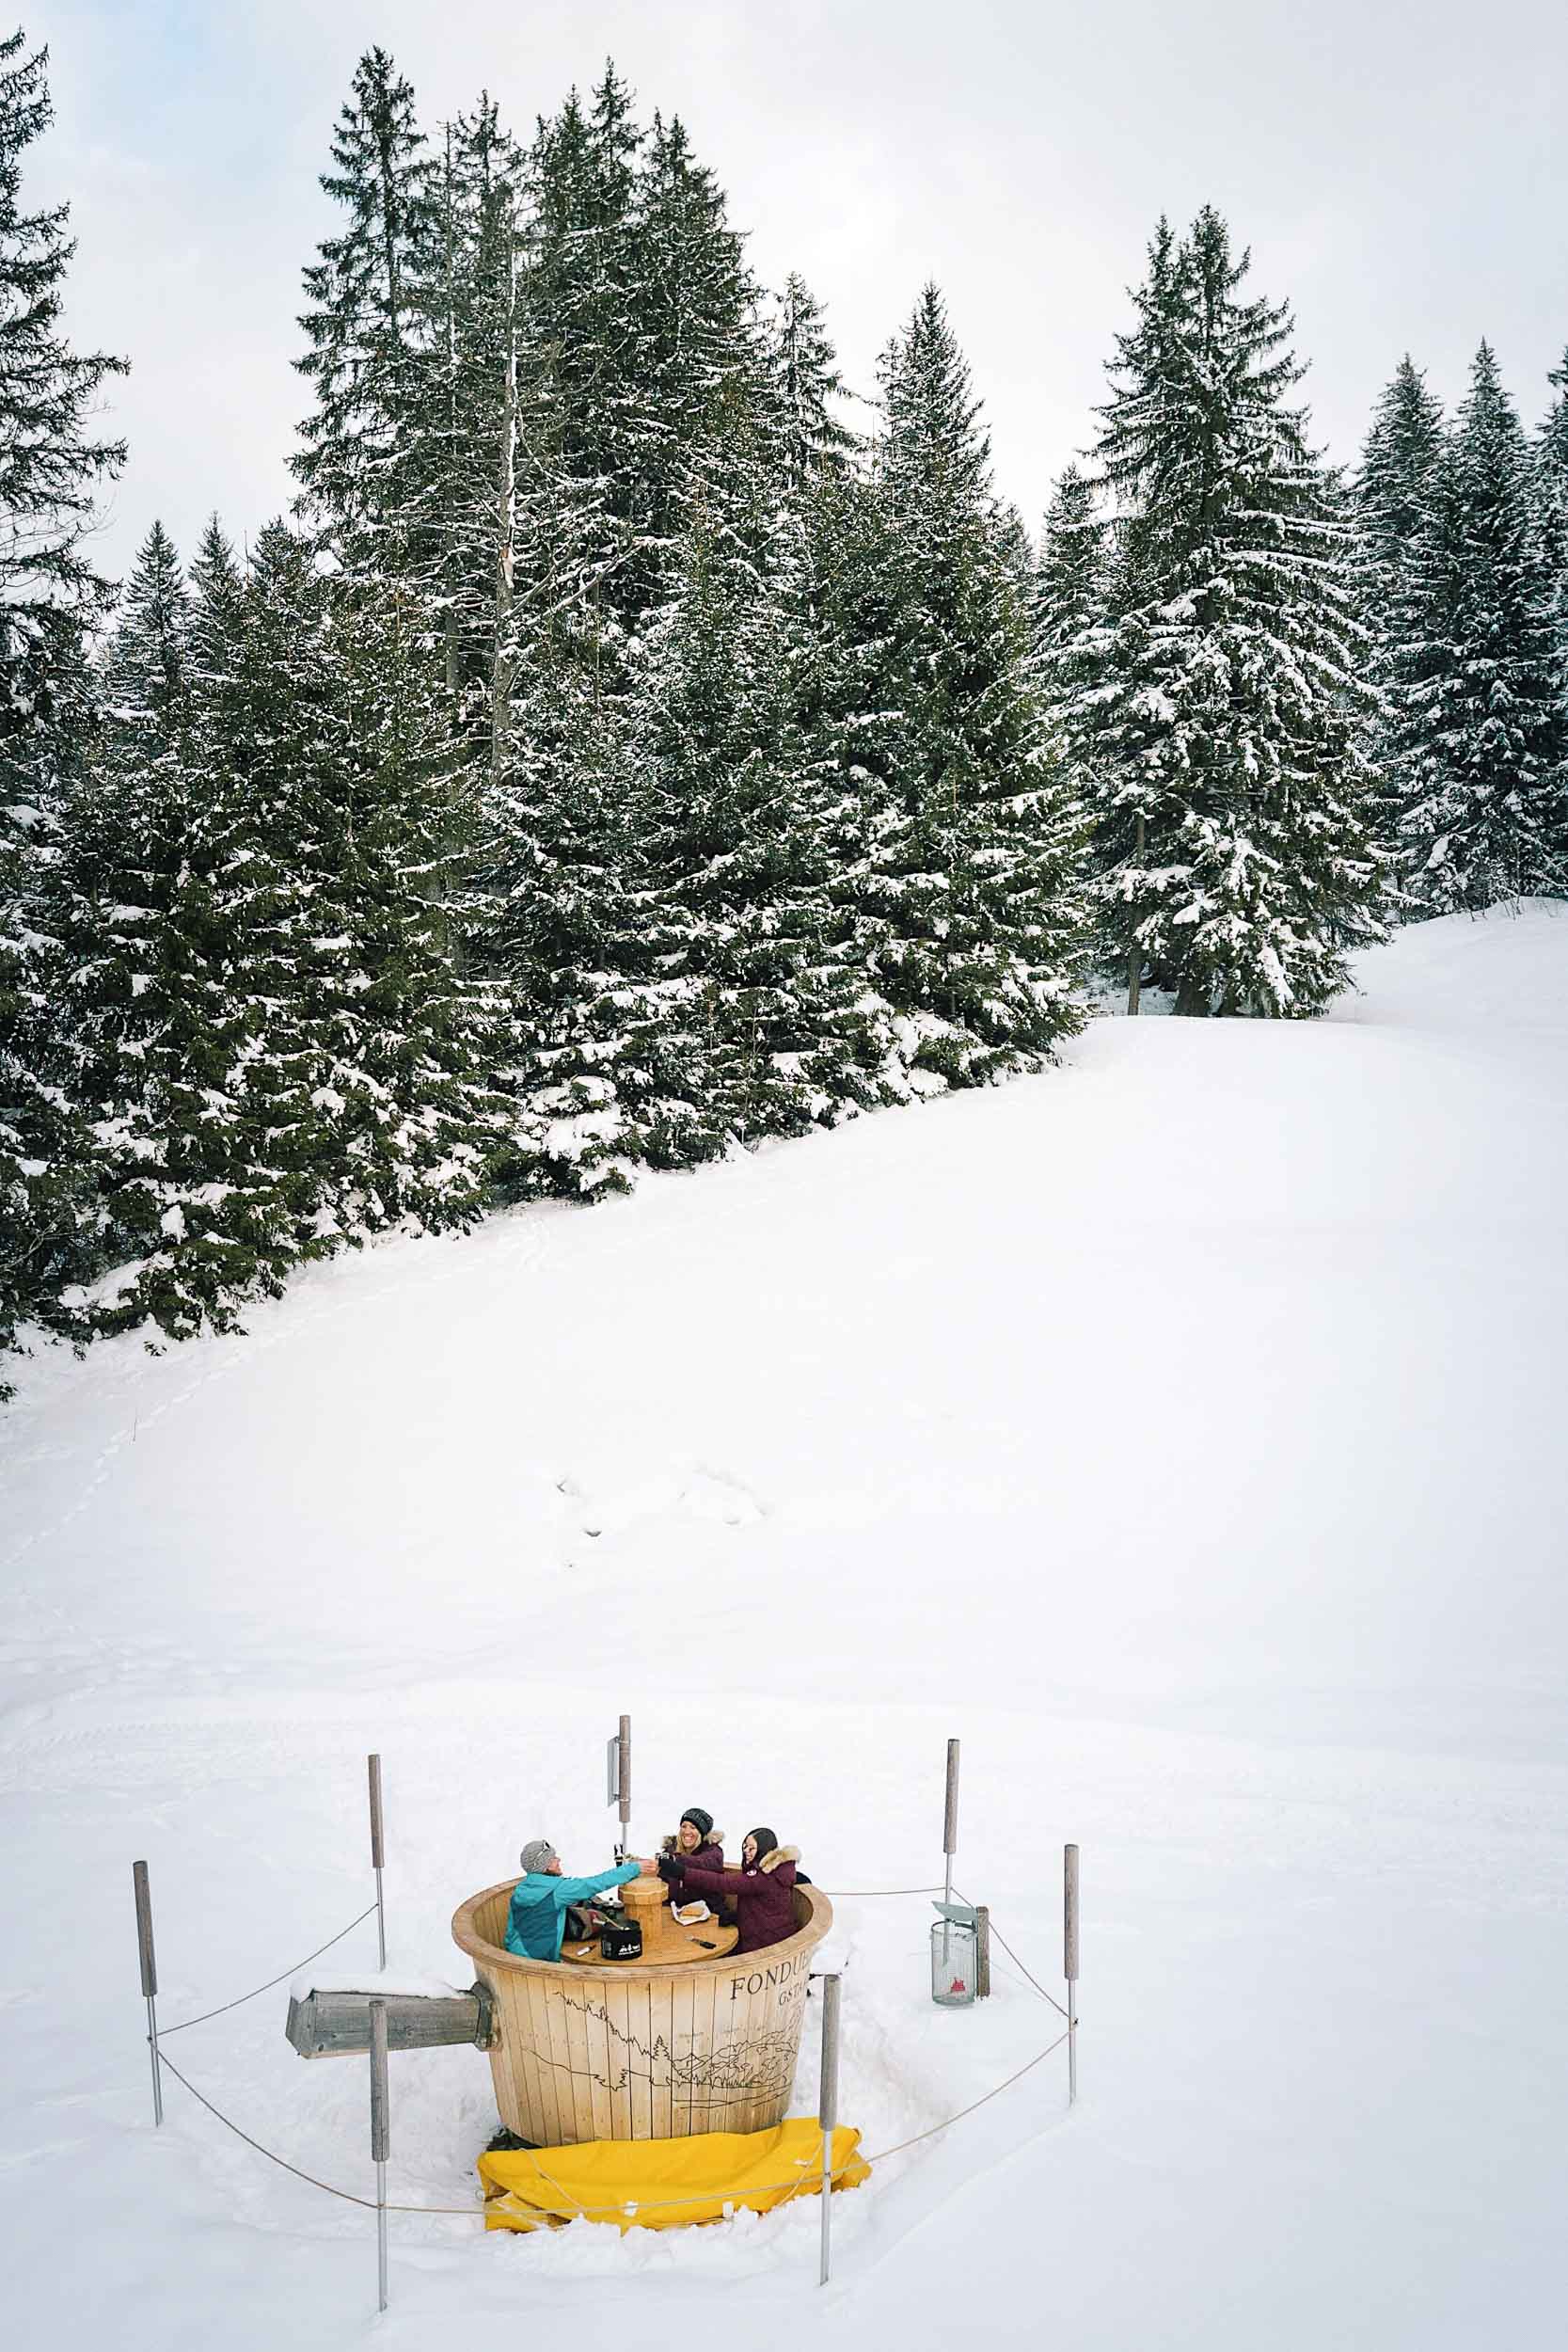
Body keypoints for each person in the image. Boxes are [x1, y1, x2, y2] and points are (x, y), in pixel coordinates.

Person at [505, 1838, 656, 1963]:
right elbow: (596, 1883)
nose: (558, 1860)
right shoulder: (557, 1890)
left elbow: (512, 1930)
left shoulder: (522, 1889)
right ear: (545, 1866)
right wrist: (634, 1868)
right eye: (553, 1858)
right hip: (537, 1963)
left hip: (515, 1954)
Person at [661, 1825, 800, 1956]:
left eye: (752, 1848)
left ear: (764, 1850)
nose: (746, 1850)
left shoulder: (764, 1877)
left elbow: (724, 1883)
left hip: (768, 1944)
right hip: (759, 1933)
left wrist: (681, 1872)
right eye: (745, 1846)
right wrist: (737, 1916)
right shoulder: (765, 1871)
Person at [662, 1806, 724, 1872]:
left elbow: (705, 1863)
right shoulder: (672, 1847)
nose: (687, 1832)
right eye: (684, 1826)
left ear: (702, 1833)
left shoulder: (713, 1851)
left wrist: (674, 1859)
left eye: (693, 1827)